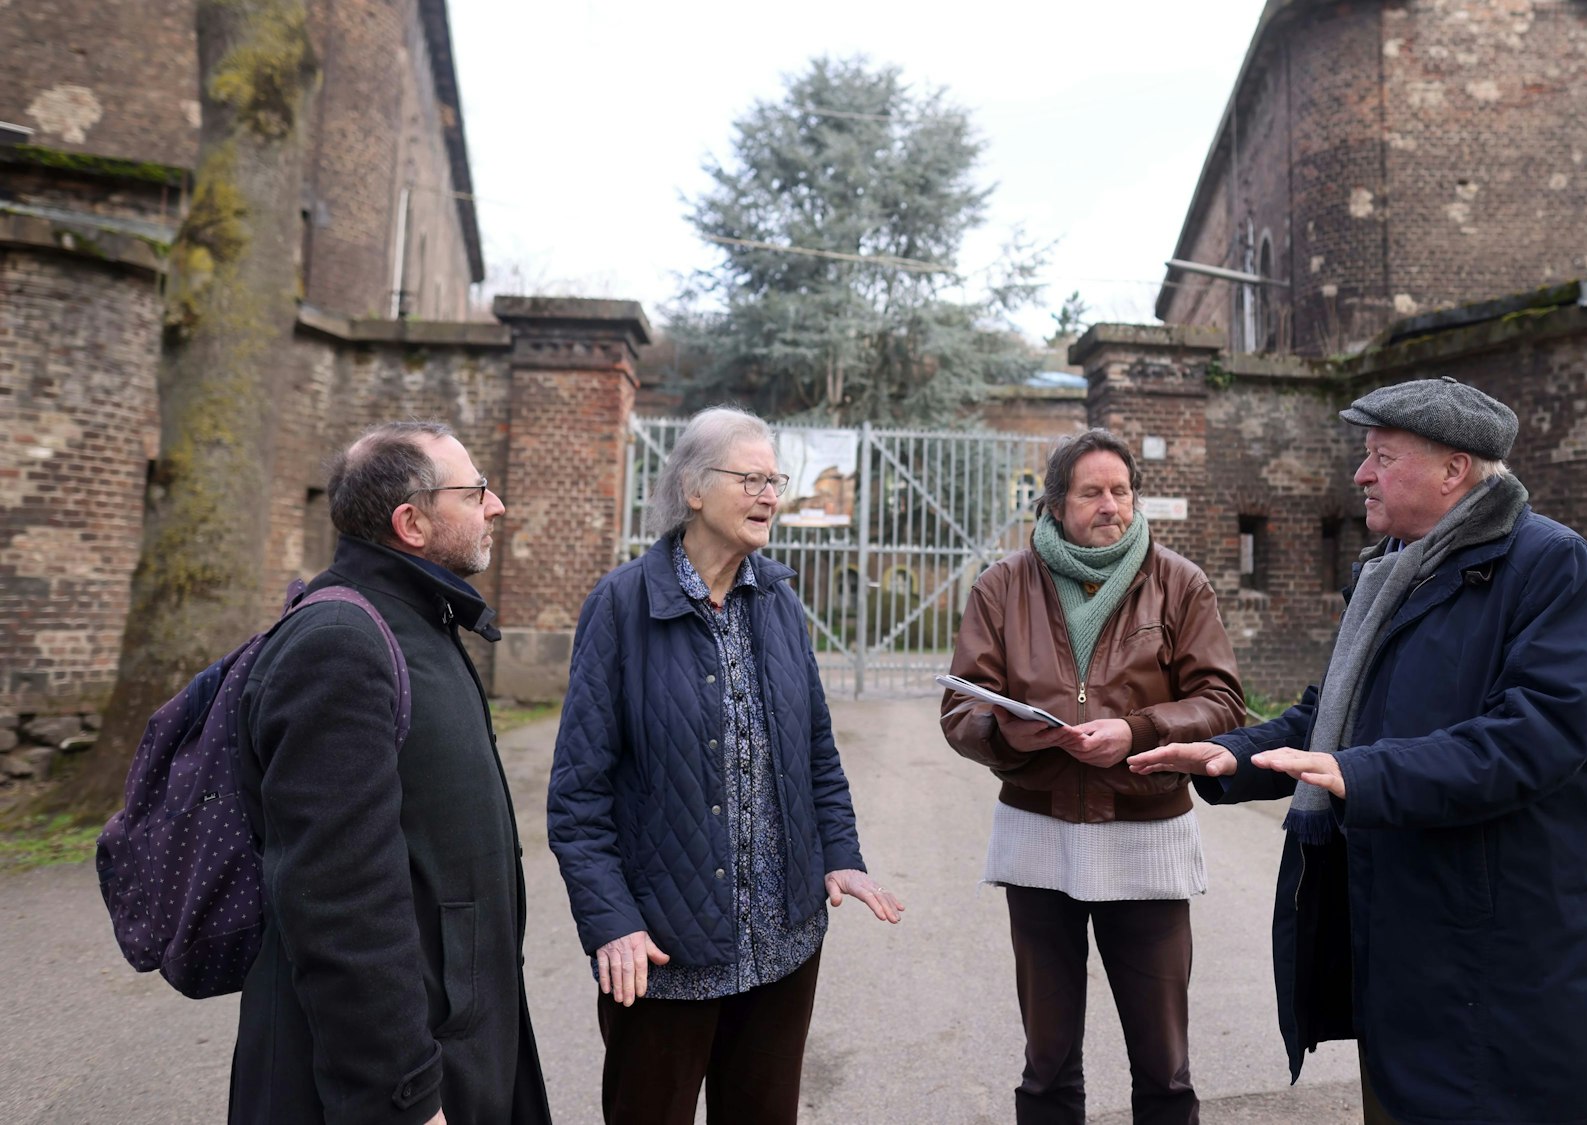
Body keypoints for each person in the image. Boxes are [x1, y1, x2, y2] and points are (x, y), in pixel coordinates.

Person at [1130, 377, 1587, 1125]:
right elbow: (1328, 715)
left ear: (1453, 470)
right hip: (1402, 942)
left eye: (1381, 457)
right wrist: (1230, 754)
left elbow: (1537, 735)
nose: (1360, 474)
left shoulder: (1552, 567)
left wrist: (1364, 774)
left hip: (1501, 945)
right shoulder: (1391, 567)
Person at [547, 405, 903, 1125]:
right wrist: (610, 921)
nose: (772, 493)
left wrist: (840, 853)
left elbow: (816, 751)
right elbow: (578, 796)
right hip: (663, 952)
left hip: (784, 944)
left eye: (776, 479)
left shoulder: (777, 598)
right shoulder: (621, 607)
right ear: (693, 488)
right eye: (752, 477)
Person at [232, 421, 550, 1125]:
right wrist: (402, 1096)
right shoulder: (340, 644)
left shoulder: (418, 620)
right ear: (412, 522)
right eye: (476, 492)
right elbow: (339, 905)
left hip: (459, 1039)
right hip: (395, 1083)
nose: (495, 505)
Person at [941, 427, 1246, 1125]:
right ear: (1053, 504)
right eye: (1092, 492)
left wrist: (1136, 730)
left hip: (1145, 836)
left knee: (1164, 1067)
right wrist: (1012, 732)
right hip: (1038, 835)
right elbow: (961, 704)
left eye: (1121, 490)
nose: (1110, 505)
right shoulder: (1002, 585)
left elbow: (1223, 701)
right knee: (1046, 1066)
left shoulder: (1178, 581)